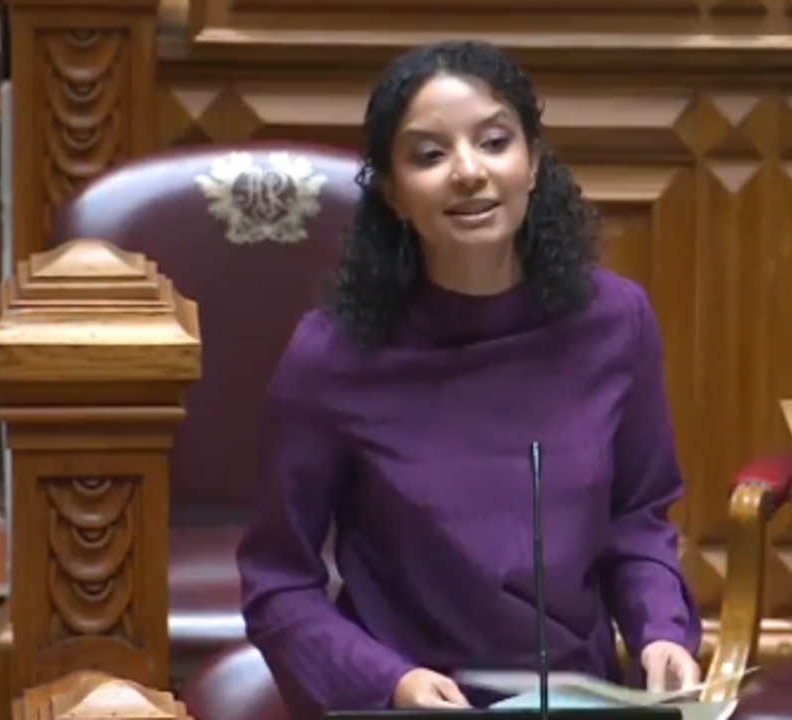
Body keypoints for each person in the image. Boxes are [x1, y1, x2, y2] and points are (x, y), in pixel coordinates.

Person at [235, 39, 702, 720]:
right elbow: (278, 585)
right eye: (430, 155)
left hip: (579, 699)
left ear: (533, 162)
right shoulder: (333, 356)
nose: (469, 172)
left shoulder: (615, 321)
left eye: (494, 142)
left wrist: (660, 631)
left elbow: (637, 520)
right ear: (392, 192)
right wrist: (390, 683)